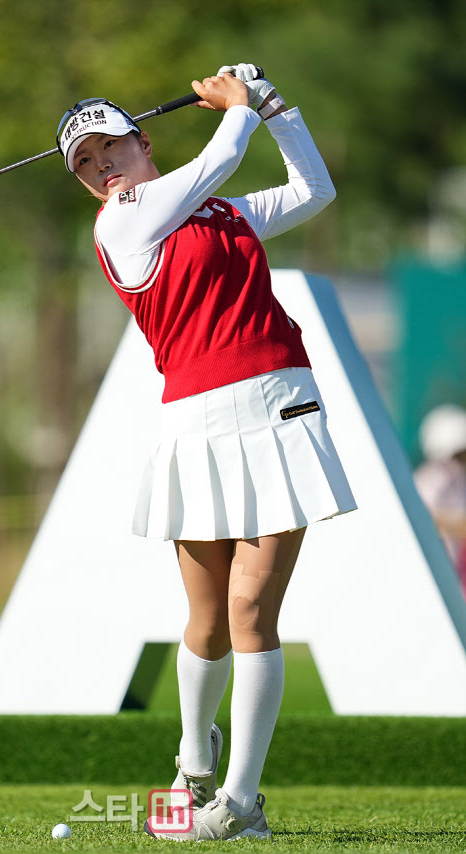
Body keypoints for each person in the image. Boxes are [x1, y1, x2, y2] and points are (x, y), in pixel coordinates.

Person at [56, 63, 357, 841]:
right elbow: (217, 157)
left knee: (252, 609)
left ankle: (242, 802)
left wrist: (275, 108)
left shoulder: (223, 213)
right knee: (206, 619)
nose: (100, 167)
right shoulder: (121, 221)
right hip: (195, 421)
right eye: (84, 163)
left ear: (141, 140)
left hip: (278, 406)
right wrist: (237, 107)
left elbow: (314, 191)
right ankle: (193, 762)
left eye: (109, 147)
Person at [414, 404, 466, 597]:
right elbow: (424, 517)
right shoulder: (428, 481)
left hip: (452, 572)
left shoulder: (458, 478)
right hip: (430, 572)